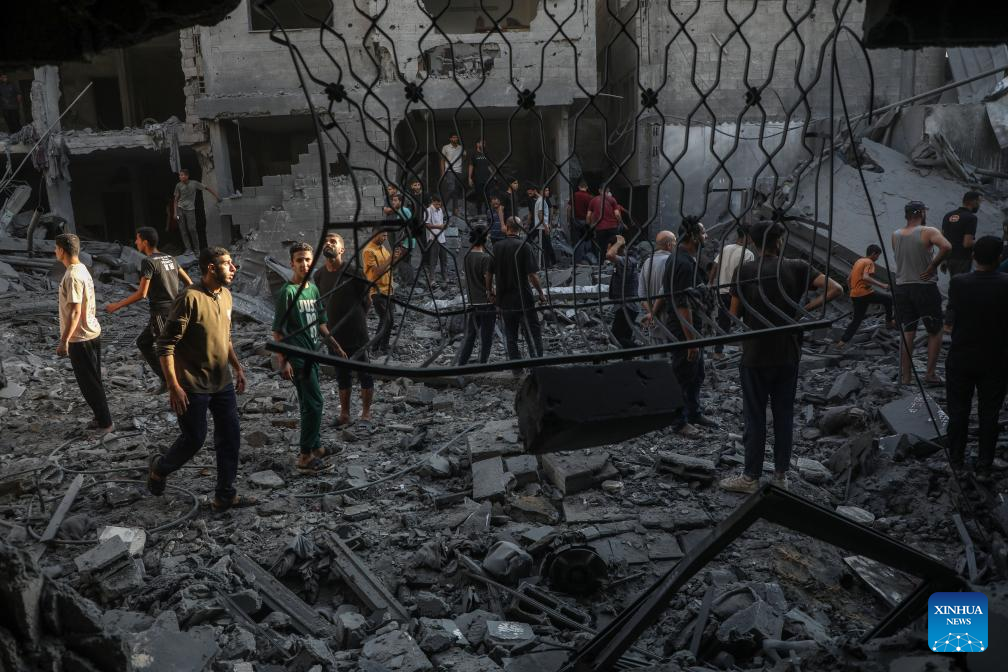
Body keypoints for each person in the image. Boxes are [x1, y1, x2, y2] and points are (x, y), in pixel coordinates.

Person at [719, 221, 842, 494]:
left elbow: (734, 314)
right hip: (788, 353)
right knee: (784, 416)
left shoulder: (745, 270)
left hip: (755, 354)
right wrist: (802, 309)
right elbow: (836, 289)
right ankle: (780, 476)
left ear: (753, 243)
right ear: (779, 242)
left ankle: (750, 477)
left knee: (755, 416)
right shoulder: (797, 266)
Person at [148, 247, 251, 512]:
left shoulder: (226, 295)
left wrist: (237, 367)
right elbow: (165, 345)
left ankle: (225, 495)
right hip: (192, 384)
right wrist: (173, 386)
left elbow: (225, 337)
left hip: (222, 381)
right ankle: (160, 468)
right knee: (194, 439)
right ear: (211, 268)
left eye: (232, 263)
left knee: (230, 437)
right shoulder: (189, 298)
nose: (233, 268)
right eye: (227, 264)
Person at [272, 242, 343, 473]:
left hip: (313, 354)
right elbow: (278, 331)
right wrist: (283, 361)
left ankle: (316, 447)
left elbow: (321, 323)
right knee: (315, 403)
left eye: (307, 260)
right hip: (298, 357)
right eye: (299, 260)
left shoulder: (312, 289)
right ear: (292, 263)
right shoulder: (288, 292)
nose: (304, 264)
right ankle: (305, 456)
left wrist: (335, 345)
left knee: (308, 403)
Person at [944, 236, 1008, 480]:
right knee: (989, 414)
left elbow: (951, 316)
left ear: (973, 256)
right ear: (999, 258)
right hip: (996, 359)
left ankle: (956, 462)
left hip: (961, 356)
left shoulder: (959, 282)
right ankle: (984, 466)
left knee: (958, 411)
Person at [105, 227, 193, 390]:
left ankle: (177, 386)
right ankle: (168, 380)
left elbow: (142, 293)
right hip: (172, 310)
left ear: (145, 242)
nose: (136, 242)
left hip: (161, 313)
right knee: (144, 343)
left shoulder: (148, 262)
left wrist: (117, 305)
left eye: (137, 239)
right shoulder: (170, 258)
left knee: (166, 350)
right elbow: (189, 283)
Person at [648, 219, 713, 438]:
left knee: (696, 373)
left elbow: (666, 289)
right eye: (703, 233)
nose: (706, 237)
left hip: (690, 327)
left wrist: (653, 312)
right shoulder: (682, 263)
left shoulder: (680, 258)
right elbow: (682, 304)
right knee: (683, 375)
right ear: (693, 236)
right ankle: (679, 422)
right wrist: (691, 341)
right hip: (683, 328)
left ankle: (693, 413)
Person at [314, 232, 375, 427]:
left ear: (342, 249)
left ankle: (366, 414)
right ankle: (345, 414)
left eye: (333, 241)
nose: (328, 244)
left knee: (364, 372)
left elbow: (367, 300)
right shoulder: (319, 275)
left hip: (356, 333)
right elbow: (321, 304)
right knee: (342, 375)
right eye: (326, 241)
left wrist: (357, 319)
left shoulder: (353, 272)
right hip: (334, 335)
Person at [55, 233, 113, 433]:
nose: (55, 251)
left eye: (56, 248)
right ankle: (100, 417)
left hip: (81, 337)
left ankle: (106, 423)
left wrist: (64, 341)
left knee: (89, 384)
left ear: (61, 250)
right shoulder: (82, 269)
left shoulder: (72, 275)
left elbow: (75, 311)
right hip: (90, 332)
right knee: (93, 380)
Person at [892, 200, 952, 386]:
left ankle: (906, 377)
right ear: (921, 213)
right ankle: (930, 374)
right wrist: (933, 265)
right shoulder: (928, 231)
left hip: (902, 287)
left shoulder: (896, 234)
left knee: (908, 330)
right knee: (935, 330)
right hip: (924, 286)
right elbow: (947, 246)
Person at [490, 216, 546, 361]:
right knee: (532, 332)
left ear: (507, 228)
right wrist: (541, 293)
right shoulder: (524, 246)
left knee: (510, 335)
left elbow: (489, 273)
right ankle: (537, 362)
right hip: (523, 297)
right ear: (520, 229)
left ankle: (516, 366)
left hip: (504, 298)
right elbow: (532, 275)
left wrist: (490, 291)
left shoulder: (497, 247)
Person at [708, 226, 755, 359]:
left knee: (723, 322)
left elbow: (715, 266)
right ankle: (744, 346)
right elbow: (747, 275)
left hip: (722, 292)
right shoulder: (748, 254)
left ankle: (718, 351)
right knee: (746, 319)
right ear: (746, 236)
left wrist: (710, 283)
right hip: (738, 293)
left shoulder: (726, 248)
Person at [836, 244, 894, 348]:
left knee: (857, 320)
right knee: (889, 299)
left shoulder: (859, 261)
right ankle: (889, 322)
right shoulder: (869, 262)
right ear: (873, 254)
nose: (877, 258)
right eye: (877, 256)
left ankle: (842, 342)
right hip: (865, 294)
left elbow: (848, 279)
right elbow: (866, 277)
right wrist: (883, 285)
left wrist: (852, 292)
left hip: (855, 295)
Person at [363, 227, 405, 355]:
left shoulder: (383, 248)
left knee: (390, 321)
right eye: (383, 236)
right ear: (375, 234)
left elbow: (390, 266)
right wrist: (390, 258)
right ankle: (375, 348)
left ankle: (383, 347)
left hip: (389, 290)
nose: (385, 238)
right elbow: (376, 273)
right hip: (377, 291)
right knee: (385, 319)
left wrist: (396, 258)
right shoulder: (368, 251)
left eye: (386, 236)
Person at [459, 225, 496, 364]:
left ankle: (462, 363)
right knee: (487, 336)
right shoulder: (485, 258)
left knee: (471, 335)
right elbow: (488, 278)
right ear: (484, 238)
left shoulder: (467, 257)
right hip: (486, 302)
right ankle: (483, 363)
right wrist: (492, 293)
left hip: (472, 301)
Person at [172, 169, 221, 256]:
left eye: (182, 175)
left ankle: (197, 250)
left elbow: (207, 188)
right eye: (180, 175)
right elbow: (175, 199)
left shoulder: (194, 183)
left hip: (190, 210)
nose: (180, 177)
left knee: (192, 229)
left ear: (187, 176)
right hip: (180, 209)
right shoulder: (178, 185)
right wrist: (175, 213)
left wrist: (217, 196)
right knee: (183, 230)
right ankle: (188, 249)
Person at [605, 234, 639, 349]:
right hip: (624, 306)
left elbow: (609, 255)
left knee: (616, 338)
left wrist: (619, 242)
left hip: (627, 307)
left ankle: (643, 351)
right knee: (624, 337)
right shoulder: (624, 260)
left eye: (609, 247)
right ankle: (631, 356)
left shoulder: (626, 261)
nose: (607, 250)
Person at [941, 191, 980, 278]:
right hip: (962, 259)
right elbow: (967, 243)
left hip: (949, 258)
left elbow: (942, 239)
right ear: (973, 202)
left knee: (954, 282)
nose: (979, 205)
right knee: (961, 284)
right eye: (978, 202)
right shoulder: (971, 218)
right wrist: (981, 242)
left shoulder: (948, 215)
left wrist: (943, 259)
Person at [587, 188, 622, 259]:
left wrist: (589, 226)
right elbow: (617, 214)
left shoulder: (593, 200)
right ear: (608, 191)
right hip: (612, 227)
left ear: (599, 190)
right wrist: (619, 222)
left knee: (602, 247)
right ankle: (613, 261)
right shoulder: (612, 199)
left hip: (600, 229)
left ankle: (603, 262)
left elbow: (588, 215)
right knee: (614, 246)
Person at [422, 195, 450, 284]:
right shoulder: (428, 211)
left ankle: (445, 277)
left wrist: (444, 226)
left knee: (444, 259)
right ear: (433, 202)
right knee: (433, 260)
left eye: (440, 204)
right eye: (437, 204)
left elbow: (441, 223)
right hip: (433, 238)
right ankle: (432, 279)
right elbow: (426, 225)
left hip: (442, 238)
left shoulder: (440, 210)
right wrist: (439, 226)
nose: (439, 206)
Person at [567, 179, 595, 265]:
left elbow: (569, 209)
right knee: (587, 240)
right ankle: (587, 259)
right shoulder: (590, 197)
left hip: (576, 221)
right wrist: (591, 224)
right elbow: (591, 212)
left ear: (579, 187)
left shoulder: (574, 195)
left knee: (577, 241)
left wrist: (569, 220)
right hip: (585, 221)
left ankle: (577, 260)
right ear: (586, 187)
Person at [440, 133, 466, 214]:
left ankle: (456, 210)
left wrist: (460, 163)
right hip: (449, 171)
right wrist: (442, 172)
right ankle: (442, 205)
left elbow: (465, 156)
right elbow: (442, 160)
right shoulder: (445, 147)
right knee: (451, 188)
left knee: (456, 191)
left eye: (456, 137)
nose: (455, 139)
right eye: (453, 137)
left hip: (458, 171)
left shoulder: (461, 148)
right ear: (450, 139)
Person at [468, 139, 493, 216]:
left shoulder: (487, 153)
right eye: (482, 143)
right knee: (479, 196)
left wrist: (493, 175)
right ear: (477, 144)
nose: (484, 145)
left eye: (484, 143)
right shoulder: (474, 154)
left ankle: (488, 213)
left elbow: (489, 166)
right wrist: (469, 178)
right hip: (478, 178)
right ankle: (479, 213)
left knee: (488, 196)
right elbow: (471, 165)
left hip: (487, 179)